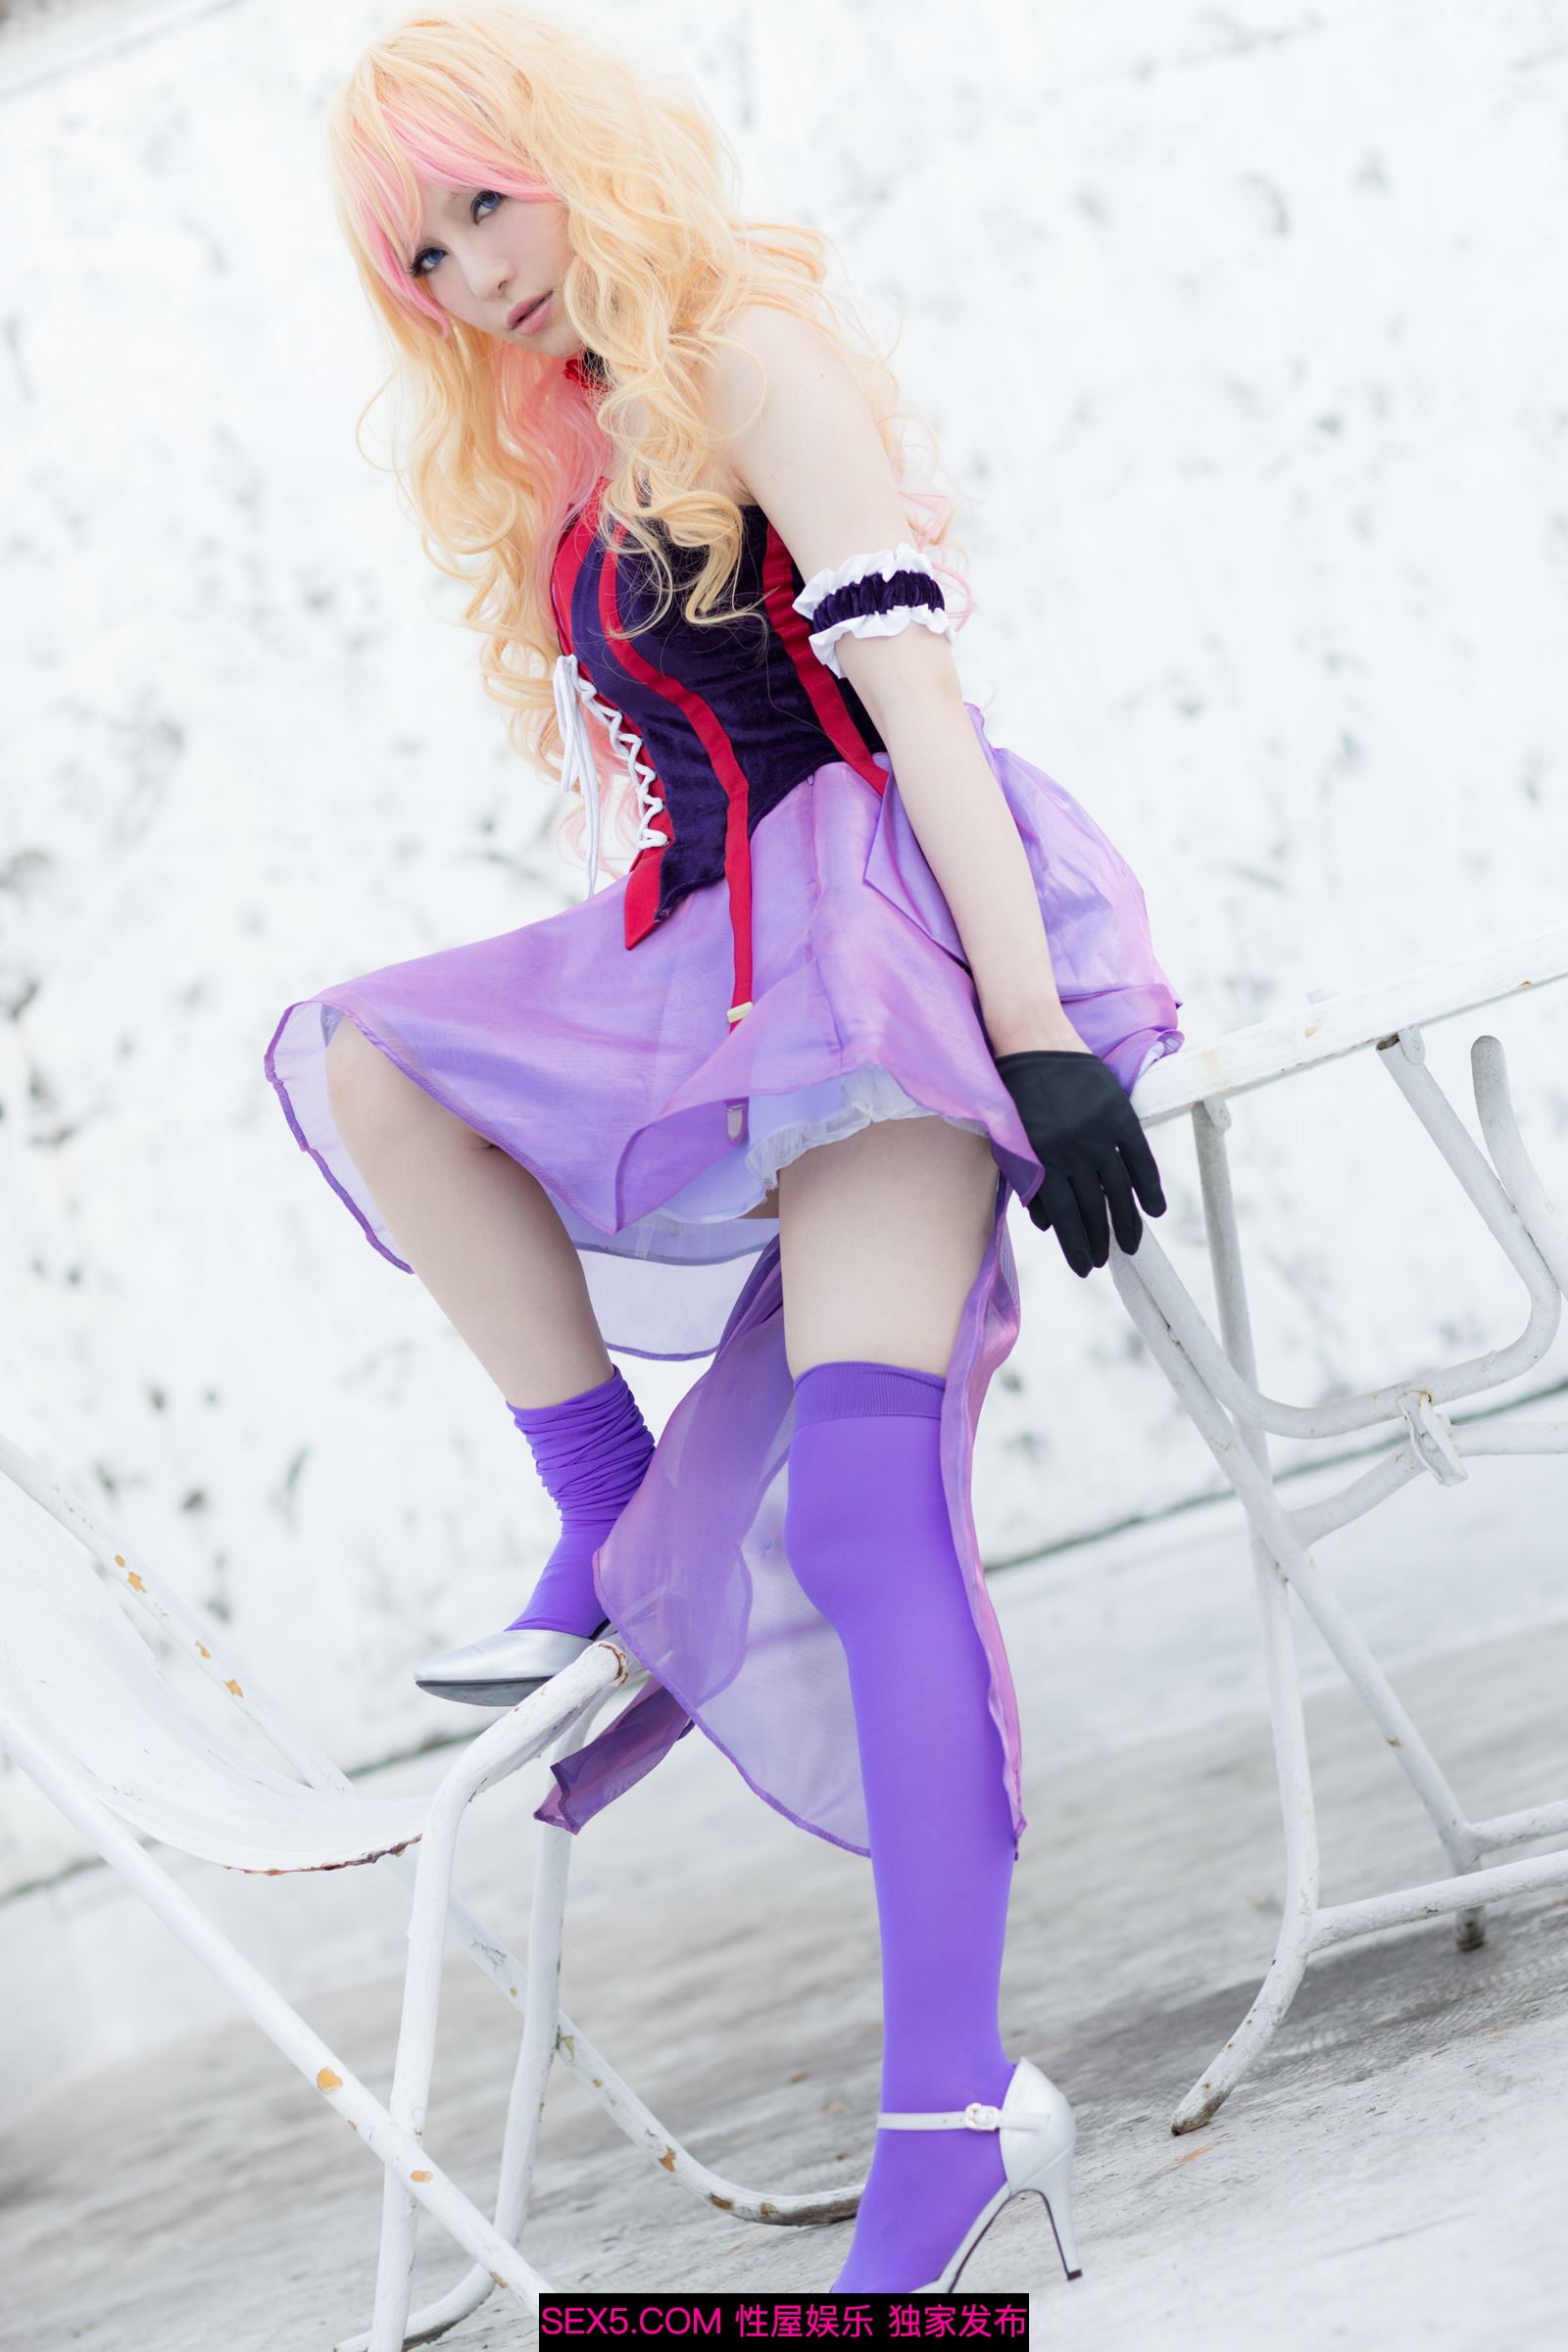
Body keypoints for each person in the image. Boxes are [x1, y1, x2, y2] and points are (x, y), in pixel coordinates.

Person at [264, 0, 1185, 2295]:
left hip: (882, 933)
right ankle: (604, 1516)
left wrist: (1034, 1035)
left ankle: (946, 2122)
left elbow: (910, 701)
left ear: (572, 153)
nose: (472, 275)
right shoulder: (574, 422)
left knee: (866, 1512)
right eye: (423, 258)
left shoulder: (747, 346)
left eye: (484, 206)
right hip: (720, 959)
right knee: (373, 1065)